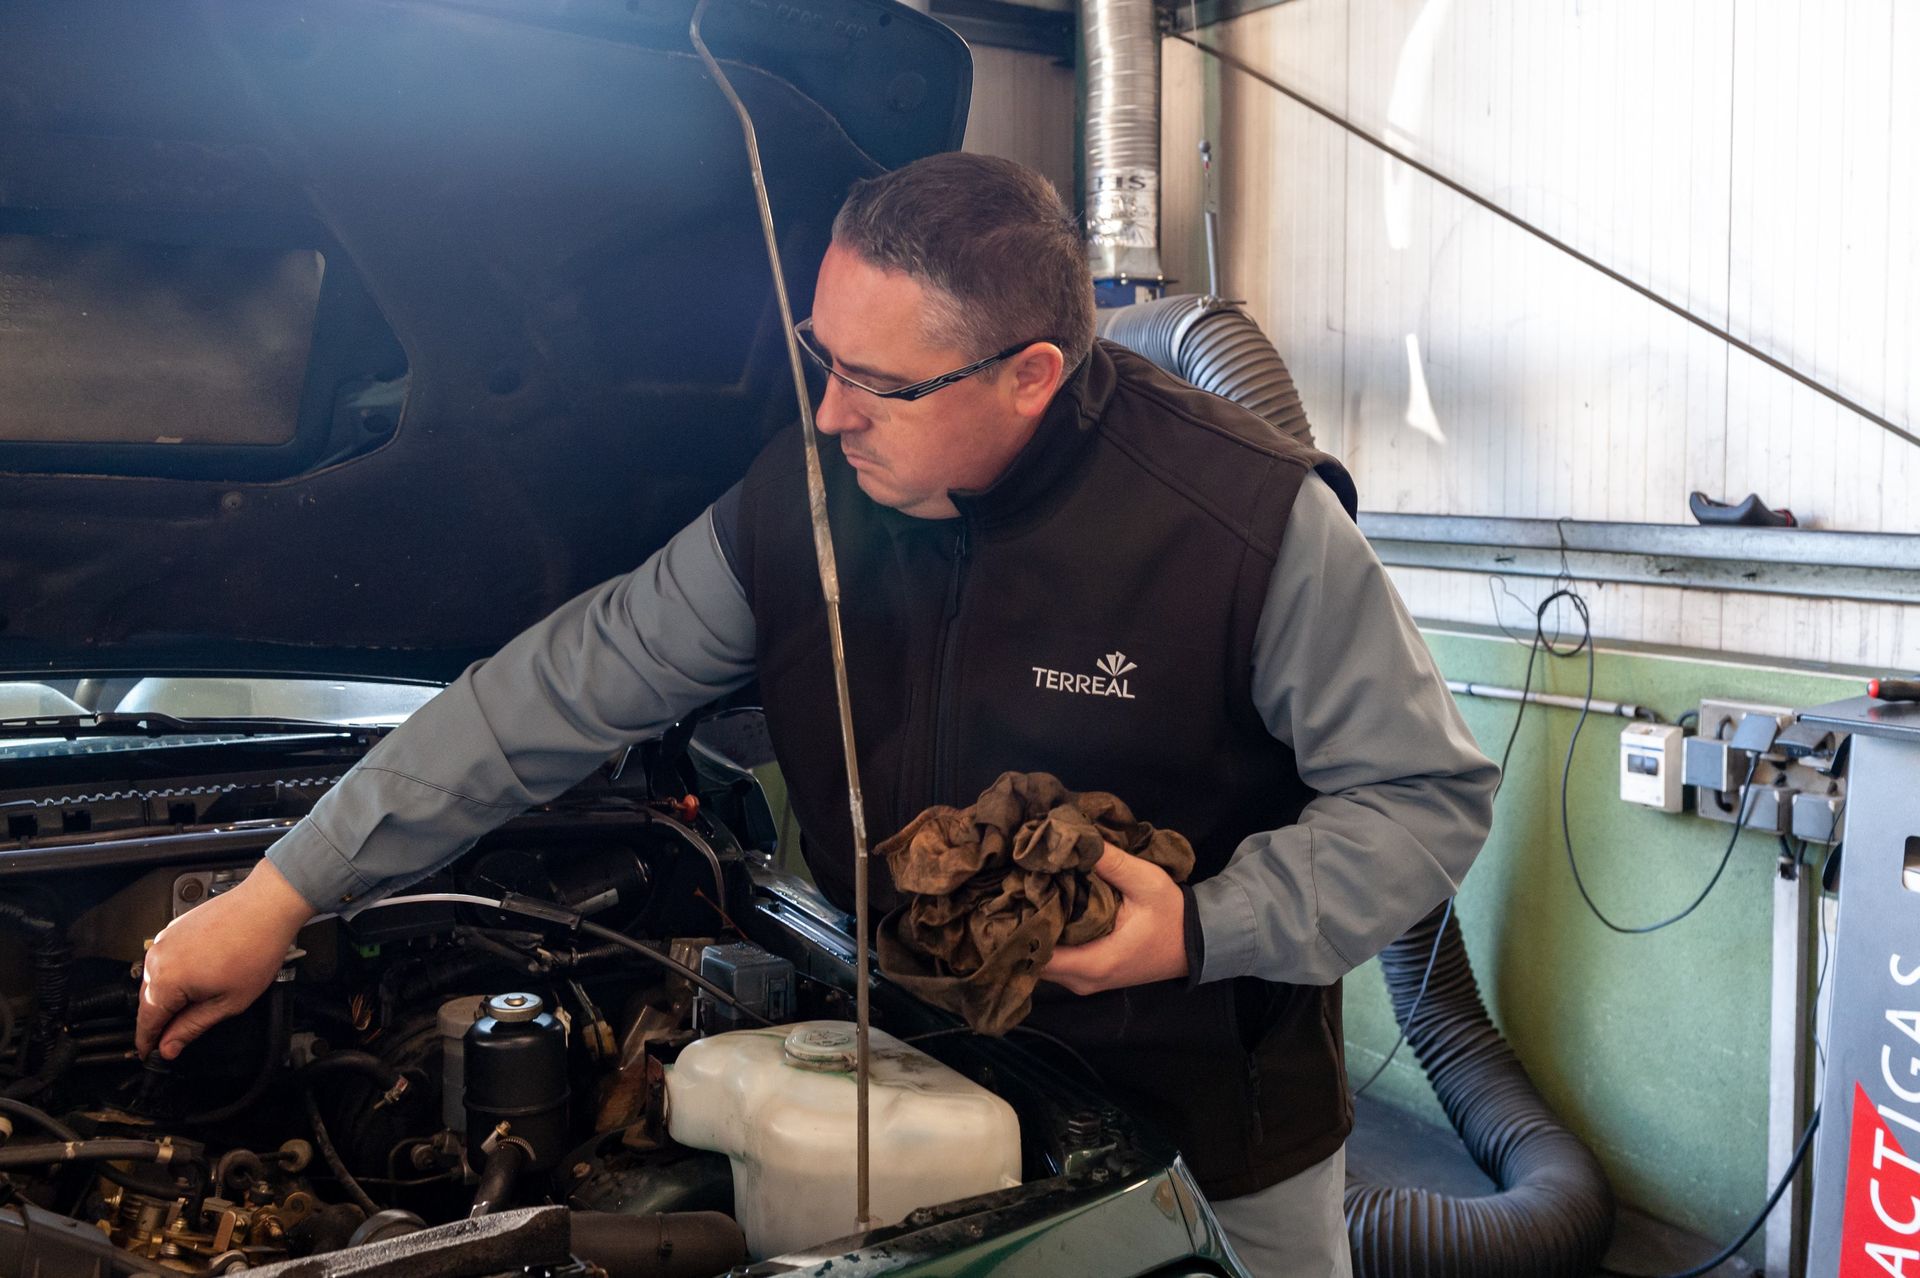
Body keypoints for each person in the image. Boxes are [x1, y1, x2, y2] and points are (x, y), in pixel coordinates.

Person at [136, 152, 1496, 1276]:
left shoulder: (1245, 524)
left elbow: (1425, 801)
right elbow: (561, 684)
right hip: (906, 1078)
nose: (829, 411)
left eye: (880, 383)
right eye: (816, 353)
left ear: (1027, 374)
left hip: (1210, 1128)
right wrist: (285, 886)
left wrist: (1206, 926)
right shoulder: (805, 505)